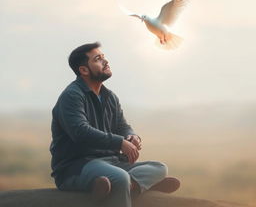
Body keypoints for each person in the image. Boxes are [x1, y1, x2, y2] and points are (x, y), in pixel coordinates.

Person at [50, 42, 180, 207]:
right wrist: (119, 142)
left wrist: (131, 136)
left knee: (160, 168)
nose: (105, 62)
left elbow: (121, 125)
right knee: (120, 177)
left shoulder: (109, 96)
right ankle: (132, 185)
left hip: (110, 162)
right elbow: (80, 132)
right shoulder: (72, 96)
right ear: (84, 70)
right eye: (98, 59)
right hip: (78, 166)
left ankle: (126, 186)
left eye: (104, 57)